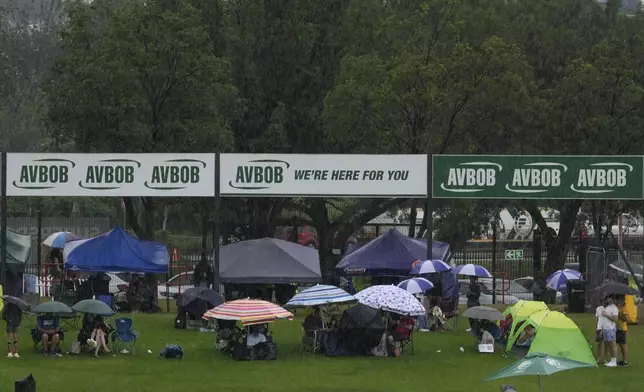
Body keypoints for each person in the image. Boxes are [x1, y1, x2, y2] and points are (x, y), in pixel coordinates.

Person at [602, 295, 619, 367]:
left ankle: (614, 361)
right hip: (606, 328)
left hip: (610, 329)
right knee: (609, 345)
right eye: (606, 298)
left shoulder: (614, 308)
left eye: (608, 298)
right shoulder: (607, 307)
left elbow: (615, 319)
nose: (607, 299)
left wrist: (606, 315)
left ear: (612, 299)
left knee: (612, 344)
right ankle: (612, 360)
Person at [616, 295, 633, 367]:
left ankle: (625, 361)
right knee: (619, 345)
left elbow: (628, 320)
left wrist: (620, 316)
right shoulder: (618, 306)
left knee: (623, 345)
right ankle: (622, 360)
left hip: (622, 329)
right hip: (617, 328)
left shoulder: (624, 308)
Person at [595, 299, 607, 364]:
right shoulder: (598, 308)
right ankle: (598, 358)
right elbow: (597, 318)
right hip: (599, 328)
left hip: (606, 328)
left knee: (606, 344)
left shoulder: (608, 309)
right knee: (598, 344)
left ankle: (605, 358)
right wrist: (597, 328)